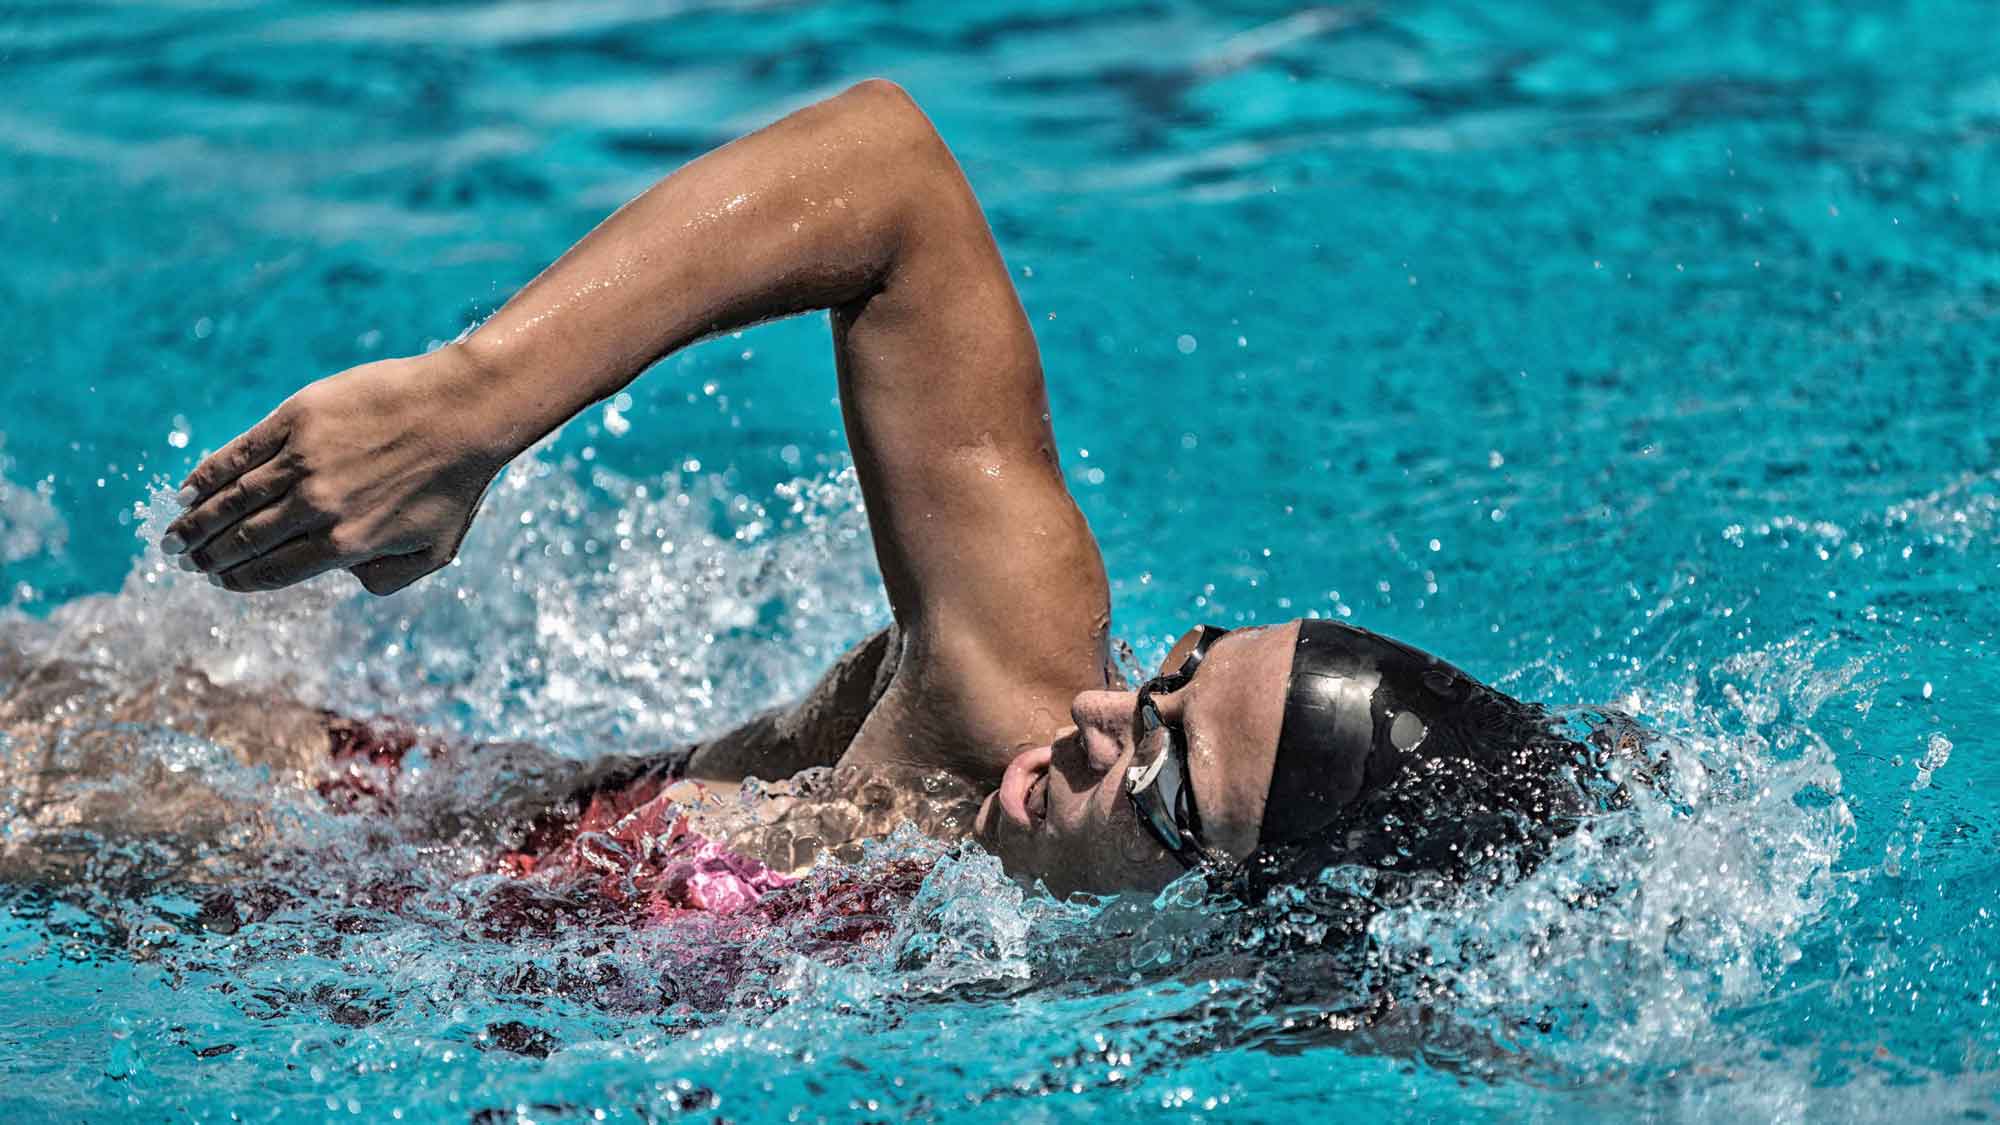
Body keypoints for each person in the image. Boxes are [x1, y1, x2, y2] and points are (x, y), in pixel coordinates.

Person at [157, 80, 1601, 902]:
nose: (1105, 720)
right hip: (260, 832)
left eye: (1164, 778)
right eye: (1171, 676)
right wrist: (466, 406)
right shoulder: (1008, 691)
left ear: (1241, 911)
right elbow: (885, 175)